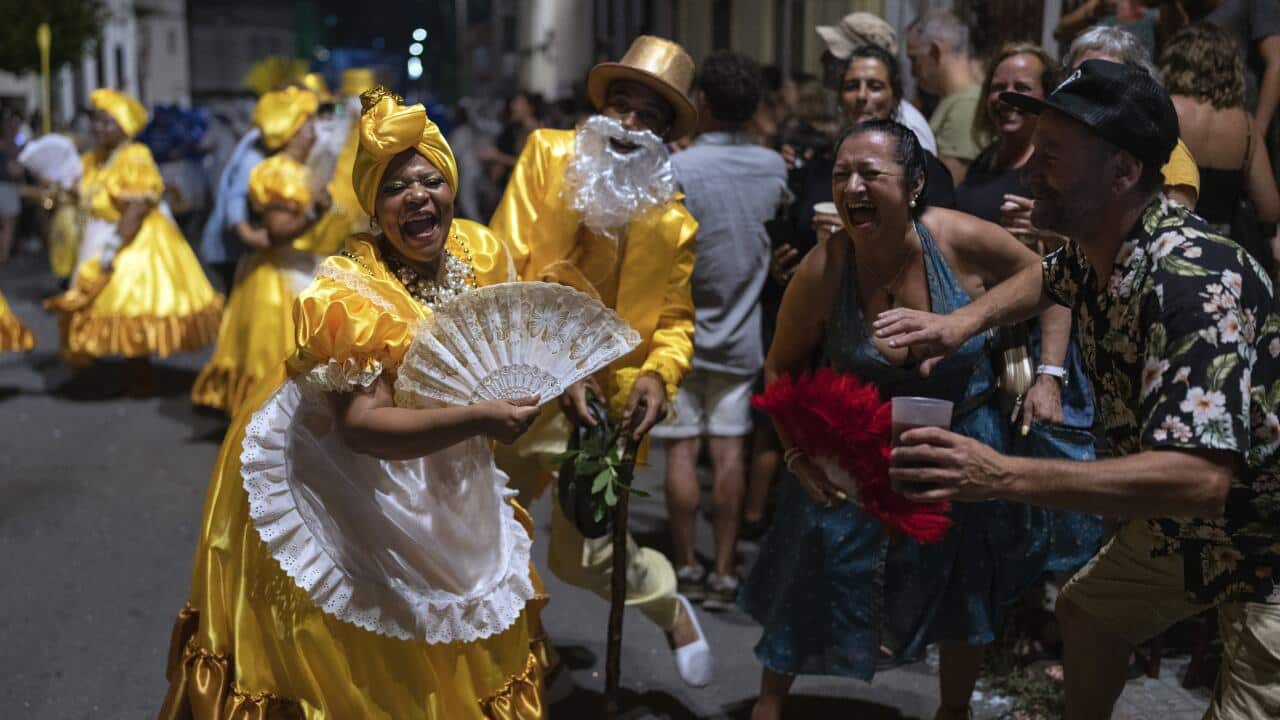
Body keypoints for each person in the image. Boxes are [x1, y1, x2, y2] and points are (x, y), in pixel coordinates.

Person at [879, 59, 1280, 720]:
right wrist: (960, 323)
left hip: (1265, 542)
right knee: (1089, 608)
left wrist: (1002, 473)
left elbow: (1199, 477)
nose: (1032, 168)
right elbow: (1049, 277)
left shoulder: (1192, 281)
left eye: (1055, 156)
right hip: (1195, 533)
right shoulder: (1105, 244)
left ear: (1122, 172)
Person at [160, 88, 548, 718]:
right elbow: (364, 427)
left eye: (430, 180)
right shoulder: (352, 295)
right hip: (346, 479)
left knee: (456, 632)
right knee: (367, 668)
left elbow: (522, 316)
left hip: (441, 469)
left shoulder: (476, 250)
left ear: (451, 185)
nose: (417, 196)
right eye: (396, 189)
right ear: (373, 207)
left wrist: (575, 382)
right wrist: (481, 418)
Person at [741, 119, 1075, 720]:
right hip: (857, 458)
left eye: (871, 173)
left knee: (963, 593)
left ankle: (953, 710)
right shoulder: (826, 268)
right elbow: (780, 369)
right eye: (842, 174)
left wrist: (1049, 375)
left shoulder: (957, 239)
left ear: (915, 183)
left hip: (962, 445)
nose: (852, 186)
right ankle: (769, 705)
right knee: (810, 574)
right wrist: (796, 454)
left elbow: (1055, 280)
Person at [488, 35, 713, 687]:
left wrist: (655, 375)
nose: (630, 124)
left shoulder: (673, 224)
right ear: (602, 109)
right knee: (483, 530)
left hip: (601, 412)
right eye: (622, 106)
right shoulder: (546, 156)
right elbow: (506, 267)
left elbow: (673, 324)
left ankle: (671, 609)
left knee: (581, 556)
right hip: (520, 381)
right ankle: (514, 654)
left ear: (668, 135)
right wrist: (561, 362)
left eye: (650, 114)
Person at [651, 51, 787, 611]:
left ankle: (686, 565)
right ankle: (726, 571)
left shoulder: (677, 169)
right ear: (754, 108)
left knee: (682, 451)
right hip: (742, 335)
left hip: (681, 333)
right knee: (729, 452)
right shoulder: (775, 168)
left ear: (701, 103)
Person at [47, 89, 222, 391]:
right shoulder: (94, 159)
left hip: (134, 242)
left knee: (132, 305)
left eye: (107, 122)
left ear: (124, 124)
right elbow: (80, 193)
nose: (100, 128)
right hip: (97, 235)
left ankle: (140, 374)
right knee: (104, 305)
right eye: (97, 122)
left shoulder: (134, 156)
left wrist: (115, 244)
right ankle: (128, 371)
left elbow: (137, 207)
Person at [191, 87, 333, 415]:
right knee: (277, 361)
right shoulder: (278, 172)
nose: (316, 131)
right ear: (293, 131)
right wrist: (314, 213)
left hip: (298, 269)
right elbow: (278, 231)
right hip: (278, 281)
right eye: (309, 124)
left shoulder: (300, 168)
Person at [1162, 22, 1280, 276]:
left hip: (1170, 245)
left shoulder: (1166, 109)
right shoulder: (1246, 125)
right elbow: (1269, 207)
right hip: (1224, 253)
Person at [1062, 26, 1203, 211]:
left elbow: (1174, 234)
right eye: (1080, 75)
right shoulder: (1070, 140)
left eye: (1105, 76)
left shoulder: (1170, 156)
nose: (1088, 87)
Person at [814, 11, 939, 155]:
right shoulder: (852, 114)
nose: (826, 59)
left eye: (837, 53)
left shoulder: (908, 128)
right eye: (853, 86)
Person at [906, 9, 984, 183]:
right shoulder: (954, 101)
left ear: (934, 51)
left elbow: (948, 184)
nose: (912, 72)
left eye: (914, 59)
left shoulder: (966, 105)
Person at [1054, 0, 1187, 59]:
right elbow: (1059, 31)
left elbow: (1180, 29)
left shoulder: (1156, 14)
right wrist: (1092, 11)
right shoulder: (1102, 5)